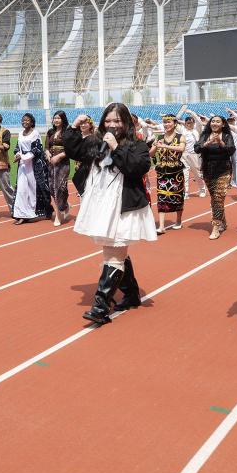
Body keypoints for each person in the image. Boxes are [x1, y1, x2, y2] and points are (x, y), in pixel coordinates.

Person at [70, 104, 157, 323]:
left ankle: (101, 306)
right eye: (108, 120)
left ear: (126, 122)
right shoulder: (96, 141)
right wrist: (73, 127)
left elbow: (136, 168)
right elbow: (74, 151)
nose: (112, 125)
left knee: (113, 251)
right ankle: (131, 294)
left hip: (123, 206)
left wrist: (116, 147)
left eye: (117, 121)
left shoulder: (137, 145)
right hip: (102, 205)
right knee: (116, 250)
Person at [193, 114, 236, 239]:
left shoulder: (227, 136)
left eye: (218, 121)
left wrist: (221, 142)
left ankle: (216, 227)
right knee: (215, 199)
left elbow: (231, 150)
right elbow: (197, 149)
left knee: (218, 197)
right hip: (208, 170)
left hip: (223, 170)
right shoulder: (205, 135)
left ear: (223, 124)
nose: (215, 123)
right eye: (213, 121)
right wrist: (209, 142)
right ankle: (223, 221)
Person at [12, 113, 52, 224]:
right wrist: (17, 155)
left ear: (32, 122)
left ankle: (41, 210)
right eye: (23, 120)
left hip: (34, 165)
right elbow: (17, 148)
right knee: (21, 189)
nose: (24, 122)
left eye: (27, 120)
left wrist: (23, 157)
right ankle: (21, 214)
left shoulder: (35, 133)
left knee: (35, 189)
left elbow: (37, 150)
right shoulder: (20, 134)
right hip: (23, 165)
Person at [150, 113, 186, 233]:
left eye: (169, 122)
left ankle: (178, 220)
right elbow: (150, 154)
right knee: (161, 196)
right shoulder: (159, 137)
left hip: (176, 171)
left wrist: (165, 146)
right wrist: (155, 146)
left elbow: (181, 149)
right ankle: (161, 226)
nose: (166, 124)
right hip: (162, 171)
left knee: (177, 196)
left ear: (175, 124)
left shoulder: (181, 137)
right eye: (165, 122)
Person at [45, 111, 72, 226]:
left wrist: (59, 156)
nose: (56, 120)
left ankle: (58, 215)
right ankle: (65, 206)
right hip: (51, 163)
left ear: (63, 119)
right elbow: (47, 146)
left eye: (58, 118)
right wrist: (47, 153)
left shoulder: (68, 132)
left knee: (60, 188)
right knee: (52, 187)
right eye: (54, 118)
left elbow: (70, 149)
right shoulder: (50, 132)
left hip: (63, 164)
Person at [181, 113, 206, 198]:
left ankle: (202, 189)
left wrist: (192, 114)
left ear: (194, 123)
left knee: (197, 174)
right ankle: (185, 192)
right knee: (185, 174)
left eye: (191, 123)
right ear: (185, 123)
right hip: (184, 155)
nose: (189, 124)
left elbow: (199, 122)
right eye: (187, 123)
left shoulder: (197, 130)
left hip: (194, 155)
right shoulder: (182, 131)